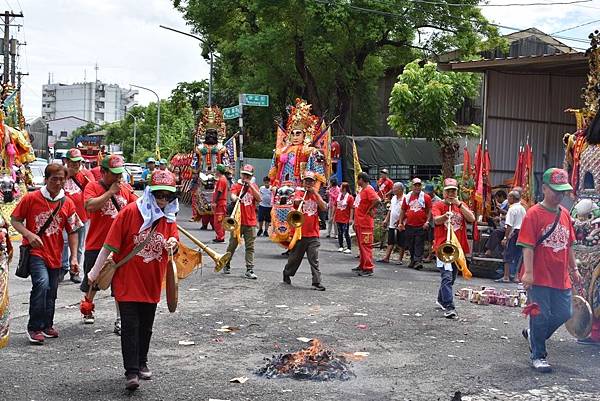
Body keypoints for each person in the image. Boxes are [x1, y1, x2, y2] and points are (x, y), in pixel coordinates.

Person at [88, 169, 179, 390]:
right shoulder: (129, 213)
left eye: (168, 195)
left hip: (152, 281)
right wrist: (93, 275)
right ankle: (131, 372)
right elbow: (108, 246)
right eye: (159, 194)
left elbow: (174, 240)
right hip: (127, 281)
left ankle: (142, 362)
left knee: (146, 326)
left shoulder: (168, 216)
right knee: (130, 325)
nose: (163, 200)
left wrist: (173, 245)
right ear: (150, 192)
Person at [517, 168, 581, 373]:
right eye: (555, 190)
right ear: (544, 188)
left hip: (561, 276)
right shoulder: (533, 214)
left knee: (565, 312)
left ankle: (535, 334)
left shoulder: (565, 215)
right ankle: (538, 355)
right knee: (540, 315)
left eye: (562, 191)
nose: (559, 195)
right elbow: (527, 245)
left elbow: (569, 244)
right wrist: (528, 273)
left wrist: (575, 269)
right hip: (539, 276)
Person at [11, 163, 83, 344]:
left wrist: (74, 257)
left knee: (52, 291)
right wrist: (29, 234)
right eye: (54, 179)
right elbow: (15, 220)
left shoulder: (67, 202)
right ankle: (34, 327)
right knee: (41, 285)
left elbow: (73, 230)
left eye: (61, 179)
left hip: (56, 253)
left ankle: (46, 325)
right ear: (46, 179)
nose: (58, 183)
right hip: (36, 252)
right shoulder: (31, 198)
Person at [82, 155, 137, 329]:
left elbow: (138, 208)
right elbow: (90, 206)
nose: (118, 177)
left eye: (120, 174)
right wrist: (110, 193)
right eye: (114, 174)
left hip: (120, 246)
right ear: (103, 172)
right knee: (93, 280)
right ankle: (88, 308)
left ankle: (120, 319)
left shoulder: (126, 189)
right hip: (97, 243)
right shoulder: (92, 186)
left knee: (120, 284)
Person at [432, 178, 475, 319]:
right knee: (447, 276)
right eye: (448, 191)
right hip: (443, 246)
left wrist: (460, 205)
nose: (451, 193)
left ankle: (440, 299)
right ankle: (450, 307)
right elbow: (436, 220)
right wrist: (445, 216)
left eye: (453, 191)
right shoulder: (438, 205)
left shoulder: (460, 205)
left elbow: (472, 219)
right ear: (444, 192)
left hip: (458, 248)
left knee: (452, 278)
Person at [282, 172, 326, 290]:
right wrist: (299, 200)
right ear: (303, 182)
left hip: (313, 234)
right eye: (306, 181)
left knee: (314, 259)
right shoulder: (299, 192)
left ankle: (316, 282)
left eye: (311, 181)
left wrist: (315, 193)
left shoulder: (316, 194)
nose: (308, 183)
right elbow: (295, 202)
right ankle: (287, 272)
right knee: (294, 259)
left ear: (314, 183)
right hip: (300, 233)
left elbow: (324, 207)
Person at [60, 148, 95, 284]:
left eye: (78, 162)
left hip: (82, 215)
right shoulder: (61, 173)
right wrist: (67, 175)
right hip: (64, 215)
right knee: (63, 242)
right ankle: (63, 268)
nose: (75, 165)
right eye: (73, 162)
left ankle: (75, 271)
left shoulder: (86, 174)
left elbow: (93, 189)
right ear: (67, 161)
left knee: (79, 246)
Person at [223, 165, 261, 279]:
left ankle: (250, 269)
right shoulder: (237, 185)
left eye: (248, 175)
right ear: (241, 174)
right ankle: (226, 263)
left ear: (251, 176)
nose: (245, 177)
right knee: (232, 245)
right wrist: (235, 198)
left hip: (251, 222)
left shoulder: (254, 186)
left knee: (250, 247)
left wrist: (250, 186)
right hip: (238, 221)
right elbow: (233, 195)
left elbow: (259, 199)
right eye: (244, 175)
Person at [398, 178, 432, 270]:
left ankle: (418, 261)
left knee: (419, 243)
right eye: (415, 185)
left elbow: (429, 210)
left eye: (419, 185)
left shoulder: (426, 197)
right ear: (411, 186)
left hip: (421, 225)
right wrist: (400, 222)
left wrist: (427, 222)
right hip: (409, 224)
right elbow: (403, 210)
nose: (417, 187)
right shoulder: (407, 197)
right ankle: (413, 259)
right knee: (410, 243)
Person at [353, 172, 380, 276]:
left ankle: (368, 268)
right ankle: (362, 265)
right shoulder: (363, 190)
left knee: (366, 246)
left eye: (358, 179)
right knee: (361, 245)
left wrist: (369, 209)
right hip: (360, 222)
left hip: (366, 223)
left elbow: (377, 200)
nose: (357, 181)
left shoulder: (368, 189)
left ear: (361, 180)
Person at [496, 191, 526, 283]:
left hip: (514, 233)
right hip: (522, 233)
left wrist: (506, 238)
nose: (507, 199)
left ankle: (506, 276)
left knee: (507, 254)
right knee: (518, 255)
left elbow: (509, 225)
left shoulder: (512, 209)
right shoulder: (522, 208)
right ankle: (516, 276)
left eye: (509, 197)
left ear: (512, 198)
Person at [379, 182, 406, 264]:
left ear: (401, 190)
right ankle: (386, 257)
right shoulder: (394, 198)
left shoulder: (405, 198)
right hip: (392, 223)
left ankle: (400, 259)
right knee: (390, 241)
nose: (393, 190)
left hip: (401, 223)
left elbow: (406, 211)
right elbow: (390, 210)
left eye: (395, 188)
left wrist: (401, 221)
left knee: (401, 242)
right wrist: (386, 220)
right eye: (393, 188)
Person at [334, 182, 354, 254]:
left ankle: (349, 247)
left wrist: (351, 218)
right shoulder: (338, 196)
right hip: (338, 216)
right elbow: (335, 206)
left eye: (341, 187)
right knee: (339, 232)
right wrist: (333, 215)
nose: (340, 188)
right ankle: (341, 246)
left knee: (346, 232)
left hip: (346, 217)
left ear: (345, 188)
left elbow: (352, 208)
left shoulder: (350, 197)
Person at [212, 164, 228, 243]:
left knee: (218, 221)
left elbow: (219, 191)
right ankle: (220, 236)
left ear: (218, 171)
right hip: (220, 203)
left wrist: (215, 202)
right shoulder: (222, 179)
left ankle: (220, 237)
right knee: (219, 220)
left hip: (220, 203)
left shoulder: (222, 180)